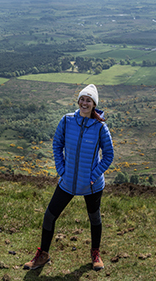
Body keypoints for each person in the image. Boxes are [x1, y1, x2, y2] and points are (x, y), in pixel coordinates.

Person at [25, 84, 113, 271]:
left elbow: (108, 155)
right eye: (82, 99)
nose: (84, 103)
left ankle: (95, 254)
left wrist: (93, 176)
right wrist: (61, 170)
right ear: (78, 101)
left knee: (94, 218)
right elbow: (57, 145)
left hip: (91, 185)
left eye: (88, 100)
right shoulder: (66, 121)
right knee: (49, 216)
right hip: (68, 181)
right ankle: (43, 255)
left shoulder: (100, 127)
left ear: (94, 104)